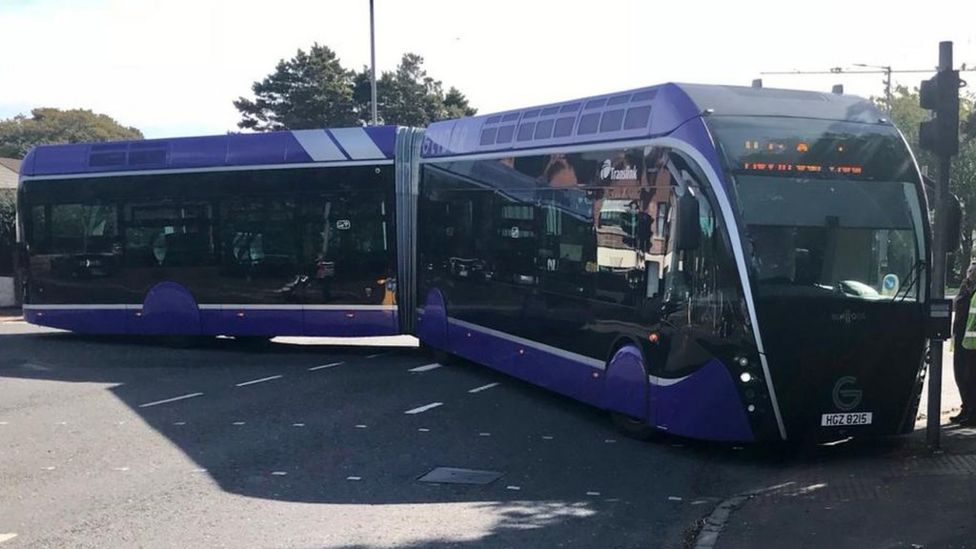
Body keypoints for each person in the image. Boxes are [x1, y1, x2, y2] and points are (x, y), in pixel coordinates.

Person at [951, 263, 976, 425]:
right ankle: (966, 408)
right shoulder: (964, 287)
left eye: (974, 271)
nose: (971, 273)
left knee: (971, 378)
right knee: (960, 377)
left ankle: (972, 413)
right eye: (969, 270)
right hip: (961, 339)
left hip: (973, 344)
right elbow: (957, 306)